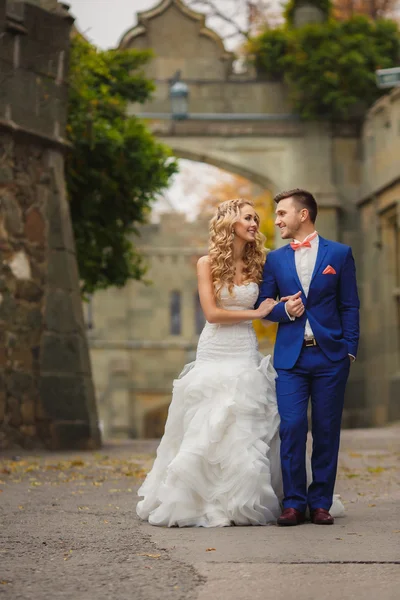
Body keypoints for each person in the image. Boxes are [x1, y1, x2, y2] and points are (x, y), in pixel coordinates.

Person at [136, 198, 343, 527]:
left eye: (256, 219)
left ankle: (259, 499)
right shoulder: (207, 263)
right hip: (215, 350)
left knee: (248, 426)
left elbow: (272, 300)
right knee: (210, 425)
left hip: (245, 350)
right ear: (229, 221)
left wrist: (282, 305)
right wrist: (257, 312)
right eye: (248, 217)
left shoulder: (260, 262)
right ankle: (204, 497)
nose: (254, 224)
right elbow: (212, 314)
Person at [255, 188, 360, 526]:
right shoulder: (274, 259)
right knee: (292, 426)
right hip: (291, 360)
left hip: (331, 357)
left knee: (327, 431)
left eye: (282, 213)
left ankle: (320, 504)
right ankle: (294, 502)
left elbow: (349, 305)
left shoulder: (340, 254)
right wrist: (285, 311)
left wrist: (349, 349)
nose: (277, 220)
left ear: (303, 215)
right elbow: (264, 307)